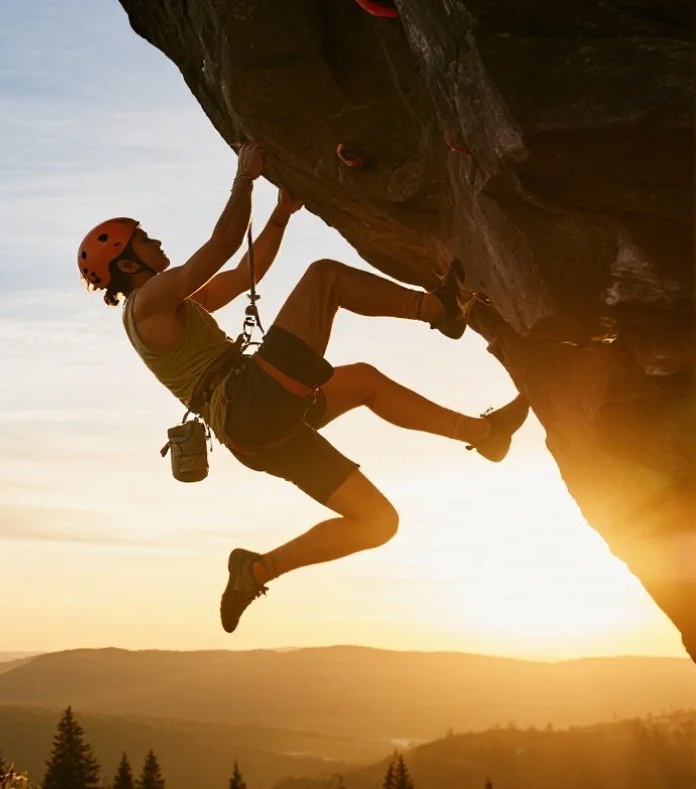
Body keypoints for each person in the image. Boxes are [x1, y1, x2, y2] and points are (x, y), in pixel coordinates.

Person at [76, 143, 530, 634]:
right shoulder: (148, 301)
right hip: (251, 402)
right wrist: (243, 178)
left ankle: (257, 570)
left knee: (376, 508)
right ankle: (442, 312)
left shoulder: (165, 307)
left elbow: (244, 273)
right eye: (141, 240)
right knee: (325, 278)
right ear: (126, 265)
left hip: (255, 432)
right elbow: (221, 246)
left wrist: (280, 215)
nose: (154, 240)